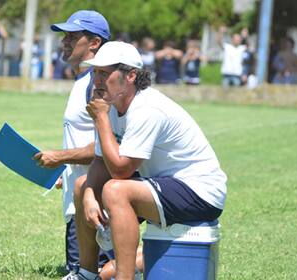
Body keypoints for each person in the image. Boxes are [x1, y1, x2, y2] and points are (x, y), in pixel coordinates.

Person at [73, 41, 227, 280]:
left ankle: (125, 277)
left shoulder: (147, 107)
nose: (97, 80)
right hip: (161, 182)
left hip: (201, 190)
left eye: (105, 73)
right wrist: (90, 195)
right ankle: (86, 274)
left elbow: (121, 171)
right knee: (82, 185)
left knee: (116, 190)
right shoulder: (110, 106)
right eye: (95, 73)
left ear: (131, 75)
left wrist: (101, 119)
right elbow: (101, 162)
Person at [32, 10, 112, 280]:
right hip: (79, 193)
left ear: (94, 43)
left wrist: (61, 157)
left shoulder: (97, 83)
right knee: (81, 272)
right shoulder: (82, 80)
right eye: (65, 36)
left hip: (94, 197)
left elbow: (109, 145)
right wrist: (64, 170)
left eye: (73, 36)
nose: (65, 41)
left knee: (94, 273)